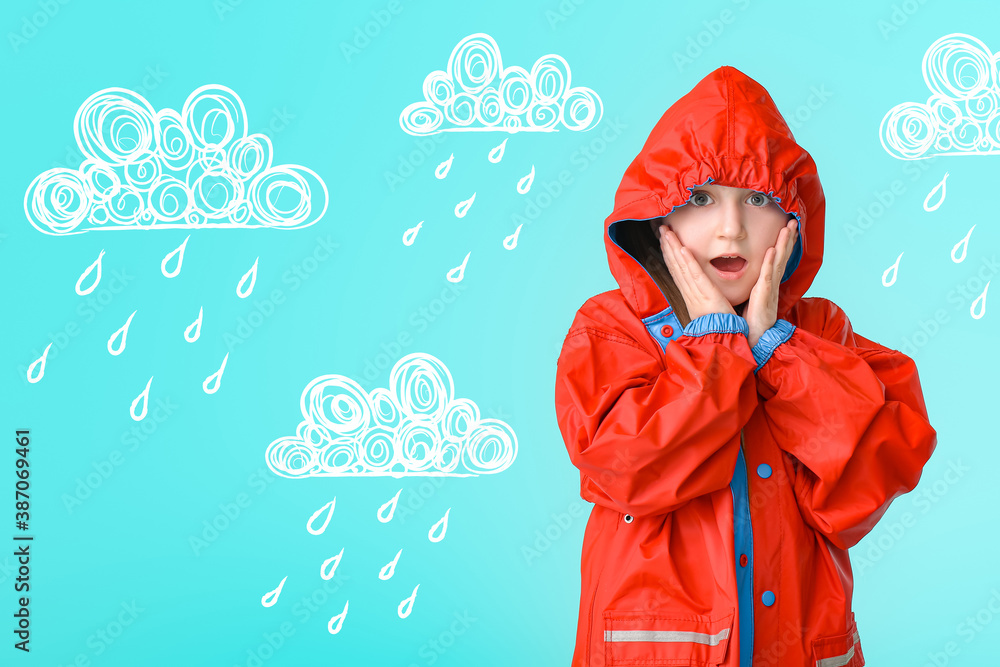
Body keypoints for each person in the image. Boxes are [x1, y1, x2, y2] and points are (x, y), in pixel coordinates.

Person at [553, 65, 937, 667]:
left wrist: (775, 351)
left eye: (756, 200)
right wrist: (712, 344)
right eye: (700, 198)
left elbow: (867, 481)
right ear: (659, 220)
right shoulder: (614, 331)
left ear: (791, 220)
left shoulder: (821, 333)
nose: (731, 228)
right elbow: (633, 470)